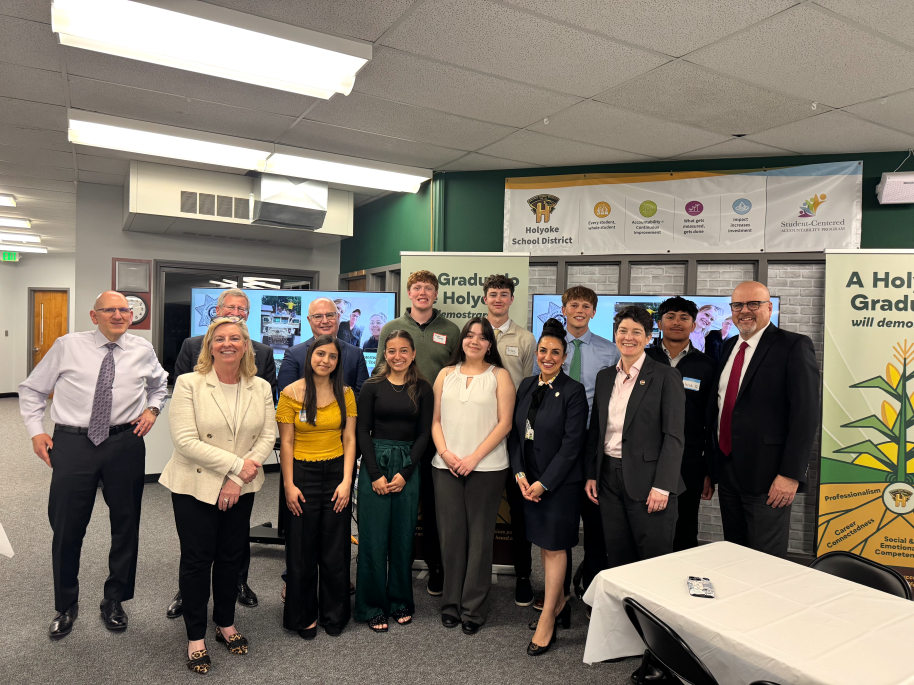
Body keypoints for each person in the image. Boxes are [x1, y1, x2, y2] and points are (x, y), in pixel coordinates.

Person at [18, 291, 167, 639]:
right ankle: (65, 604)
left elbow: (160, 385)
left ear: (131, 316)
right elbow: (32, 390)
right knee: (67, 527)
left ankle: (115, 599)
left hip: (125, 442)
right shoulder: (67, 345)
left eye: (124, 310)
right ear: (93, 315)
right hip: (73, 443)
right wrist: (35, 432)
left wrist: (153, 409)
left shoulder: (142, 349)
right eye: (109, 310)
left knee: (126, 525)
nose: (118, 315)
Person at [161, 317, 275, 674]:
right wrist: (236, 468)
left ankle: (225, 621)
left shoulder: (260, 387)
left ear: (246, 345)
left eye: (236, 338)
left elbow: (267, 435)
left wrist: (238, 478)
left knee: (230, 556)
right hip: (195, 484)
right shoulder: (189, 383)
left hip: (240, 487)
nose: (228, 343)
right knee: (197, 559)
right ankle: (195, 634)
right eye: (220, 338)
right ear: (210, 345)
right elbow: (185, 441)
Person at [710, 281, 818, 557]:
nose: (745, 311)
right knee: (734, 552)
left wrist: (790, 474)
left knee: (765, 560)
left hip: (770, 476)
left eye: (753, 304)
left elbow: (805, 415)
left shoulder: (793, 345)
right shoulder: (728, 346)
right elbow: (722, 406)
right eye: (738, 305)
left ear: (769, 308)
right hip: (729, 469)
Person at [538, 286, 620, 612]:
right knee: (560, 523)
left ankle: (593, 588)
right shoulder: (550, 349)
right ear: (564, 308)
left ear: (594, 312)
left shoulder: (609, 351)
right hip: (556, 447)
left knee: (596, 521)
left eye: (587, 306)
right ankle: (559, 595)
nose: (580, 310)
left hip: (593, 444)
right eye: (575, 304)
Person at [379, 269, 460, 596]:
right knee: (397, 497)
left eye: (428, 288)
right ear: (409, 293)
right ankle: (395, 564)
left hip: (439, 427)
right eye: (417, 288)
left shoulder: (451, 331)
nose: (423, 293)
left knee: (434, 500)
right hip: (397, 429)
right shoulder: (391, 329)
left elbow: (457, 375)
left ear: (435, 293)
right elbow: (380, 375)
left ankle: (436, 566)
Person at [509, 318, 587, 656]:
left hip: (558, 484)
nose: (548, 356)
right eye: (543, 350)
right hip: (528, 480)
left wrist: (544, 483)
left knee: (555, 549)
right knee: (544, 546)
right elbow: (515, 434)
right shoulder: (526, 384)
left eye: (555, 351)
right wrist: (519, 473)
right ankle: (560, 604)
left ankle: (548, 621)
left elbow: (573, 445)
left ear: (564, 355)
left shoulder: (573, 391)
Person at [432, 317, 515, 635]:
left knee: (479, 541)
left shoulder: (500, 376)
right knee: (451, 538)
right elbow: (435, 421)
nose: (474, 341)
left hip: (488, 468)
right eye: (469, 336)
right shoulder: (444, 375)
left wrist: (473, 458)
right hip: (446, 468)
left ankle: (473, 608)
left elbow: (504, 424)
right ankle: (451, 604)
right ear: (461, 341)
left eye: (482, 337)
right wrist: (448, 455)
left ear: (489, 345)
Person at [585, 305, 685, 568]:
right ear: (615, 333)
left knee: (652, 559)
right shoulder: (605, 377)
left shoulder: (666, 376)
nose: (628, 337)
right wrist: (592, 473)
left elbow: (674, 437)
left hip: (650, 481)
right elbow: (597, 430)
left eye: (636, 332)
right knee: (618, 556)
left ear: (649, 337)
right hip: (608, 478)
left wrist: (663, 486)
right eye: (622, 331)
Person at [278, 335, 357, 639]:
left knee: (335, 549)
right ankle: (303, 614)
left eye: (333, 356)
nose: (326, 360)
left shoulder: (346, 393)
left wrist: (347, 481)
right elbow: (286, 441)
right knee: (301, 550)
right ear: (310, 356)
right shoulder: (291, 393)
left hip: (337, 472)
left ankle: (334, 613)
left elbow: (350, 439)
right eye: (320, 354)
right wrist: (288, 484)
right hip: (302, 474)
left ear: (339, 361)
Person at [354, 330, 433, 632]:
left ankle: (400, 601)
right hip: (375, 461)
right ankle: (372, 605)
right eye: (391, 351)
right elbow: (363, 431)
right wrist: (374, 474)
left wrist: (405, 473)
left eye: (403, 351)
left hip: (407, 466)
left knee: (402, 538)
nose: (397, 356)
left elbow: (425, 434)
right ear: (383, 354)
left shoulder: (423, 388)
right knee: (373, 539)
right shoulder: (372, 386)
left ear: (413, 354)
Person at [482, 273, 536, 607]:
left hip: (516, 435)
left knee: (519, 511)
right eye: (493, 293)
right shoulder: (473, 335)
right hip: (479, 434)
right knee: (480, 509)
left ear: (512, 299)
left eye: (504, 294)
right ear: (484, 298)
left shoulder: (527, 339)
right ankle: (471, 575)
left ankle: (524, 576)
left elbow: (530, 387)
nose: (498, 298)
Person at [647, 297, 716, 551]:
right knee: (648, 526)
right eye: (671, 316)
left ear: (694, 324)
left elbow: (711, 421)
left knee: (685, 527)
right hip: (648, 459)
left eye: (684, 318)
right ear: (660, 322)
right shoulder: (644, 360)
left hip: (690, 461)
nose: (677, 322)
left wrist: (708, 469)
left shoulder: (707, 366)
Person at [277, 297, 368, 395]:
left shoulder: (355, 354)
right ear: (309, 320)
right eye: (318, 316)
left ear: (338, 317)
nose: (325, 321)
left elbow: (363, 396)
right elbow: (287, 395)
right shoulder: (294, 354)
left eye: (330, 315)